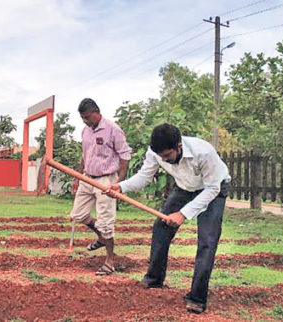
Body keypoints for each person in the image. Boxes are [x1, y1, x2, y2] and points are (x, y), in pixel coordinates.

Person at [105, 123, 230, 314]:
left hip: (213, 189)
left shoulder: (204, 153)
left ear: (178, 146)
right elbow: (144, 177)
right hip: (184, 188)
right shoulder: (156, 152)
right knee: (161, 228)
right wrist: (121, 187)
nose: (164, 159)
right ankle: (154, 279)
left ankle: (197, 297)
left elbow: (213, 189)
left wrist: (182, 214)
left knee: (207, 241)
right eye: (161, 156)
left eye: (167, 156)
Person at [70, 98, 132, 276]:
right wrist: (77, 177)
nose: (85, 121)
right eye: (82, 118)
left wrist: (118, 184)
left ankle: (110, 261)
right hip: (87, 178)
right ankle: (101, 238)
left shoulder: (113, 129)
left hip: (106, 180)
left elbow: (124, 156)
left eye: (87, 117)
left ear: (97, 112)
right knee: (78, 214)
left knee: (105, 222)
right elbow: (85, 156)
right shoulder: (85, 131)